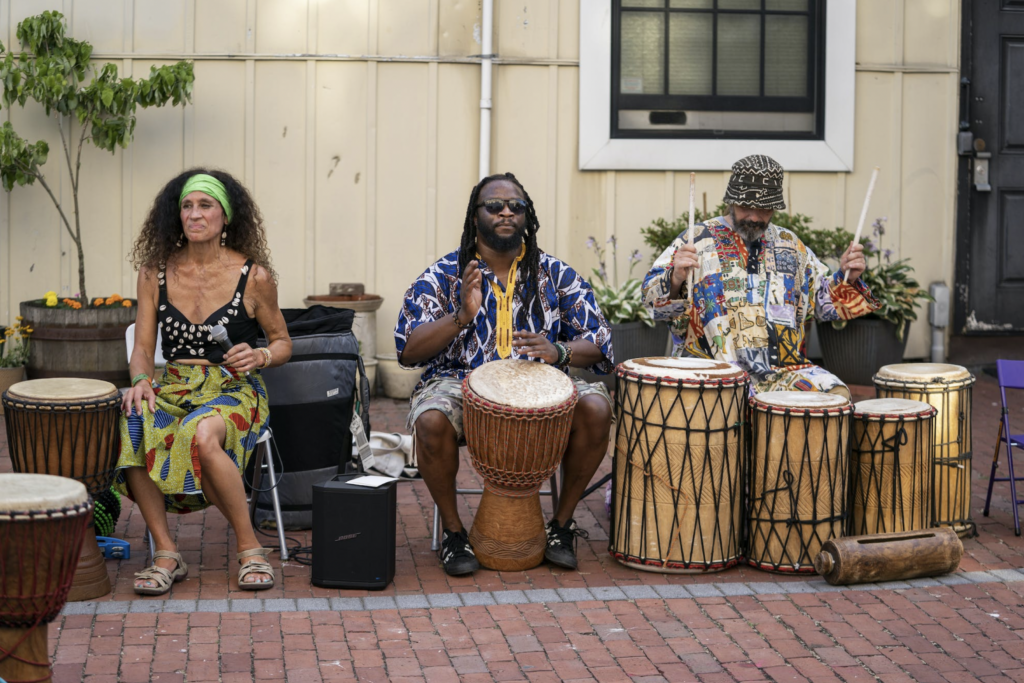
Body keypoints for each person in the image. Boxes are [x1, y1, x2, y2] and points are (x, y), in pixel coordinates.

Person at [395, 172, 614, 576]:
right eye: (494, 206)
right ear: (475, 216)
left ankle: (561, 527)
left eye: (516, 206)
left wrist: (560, 350)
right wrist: (460, 316)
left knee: (597, 407)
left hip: (543, 381)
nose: (506, 212)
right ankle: (454, 533)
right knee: (429, 421)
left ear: (527, 215)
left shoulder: (556, 275)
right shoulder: (445, 275)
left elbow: (600, 341)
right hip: (460, 381)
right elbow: (407, 350)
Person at [116, 169, 292, 595]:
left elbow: (283, 342)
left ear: (225, 216)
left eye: (205, 205)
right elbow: (142, 347)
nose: (195, 215)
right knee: (134, 422)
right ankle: (166, 552)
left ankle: (250, 548)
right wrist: (141, 379)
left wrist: (260, 355)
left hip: (235, 388)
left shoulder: (254, 276)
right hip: (175, 385)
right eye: (187, 206)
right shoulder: (154, 273)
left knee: (202, 430)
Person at [641, 154, 878, 398]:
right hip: (712, 370)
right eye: (746, 207)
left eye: (763, 209)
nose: (754, 217)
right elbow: (652, 303)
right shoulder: (696, 239)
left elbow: (823, 304)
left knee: (837, 395)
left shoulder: (791, 245)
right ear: (731, 201)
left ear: (774, 207)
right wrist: (675, 278)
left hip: (784, 372)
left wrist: (847, 277)